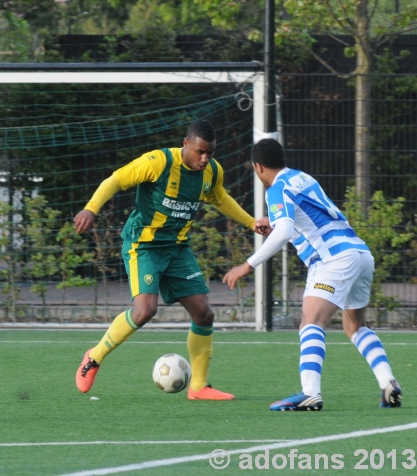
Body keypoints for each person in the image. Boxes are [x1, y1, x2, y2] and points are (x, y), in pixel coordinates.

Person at [73, 119, 267, 400]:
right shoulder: (157, 162)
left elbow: (220, 197)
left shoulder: (212, 171)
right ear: (186, 144)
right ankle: (94, 357)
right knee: (145, 311)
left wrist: (251, 223)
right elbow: (115, 179)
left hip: (176, 247)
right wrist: (91, 208)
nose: (205, 158)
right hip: (144, 245)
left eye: (210, 153)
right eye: (200, 151)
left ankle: (198, 387)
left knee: (204, 313)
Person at [223, 138, 402, 411]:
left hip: (332, 259)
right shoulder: (301, 177)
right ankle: (388, 382)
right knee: (354, 326)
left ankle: (310, 392)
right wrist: (273, 222)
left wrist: (248, 264)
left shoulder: (276, 189)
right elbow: (309, 216)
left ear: (258, 167)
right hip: (360, 254)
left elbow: (284, 231)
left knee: (310, 321)